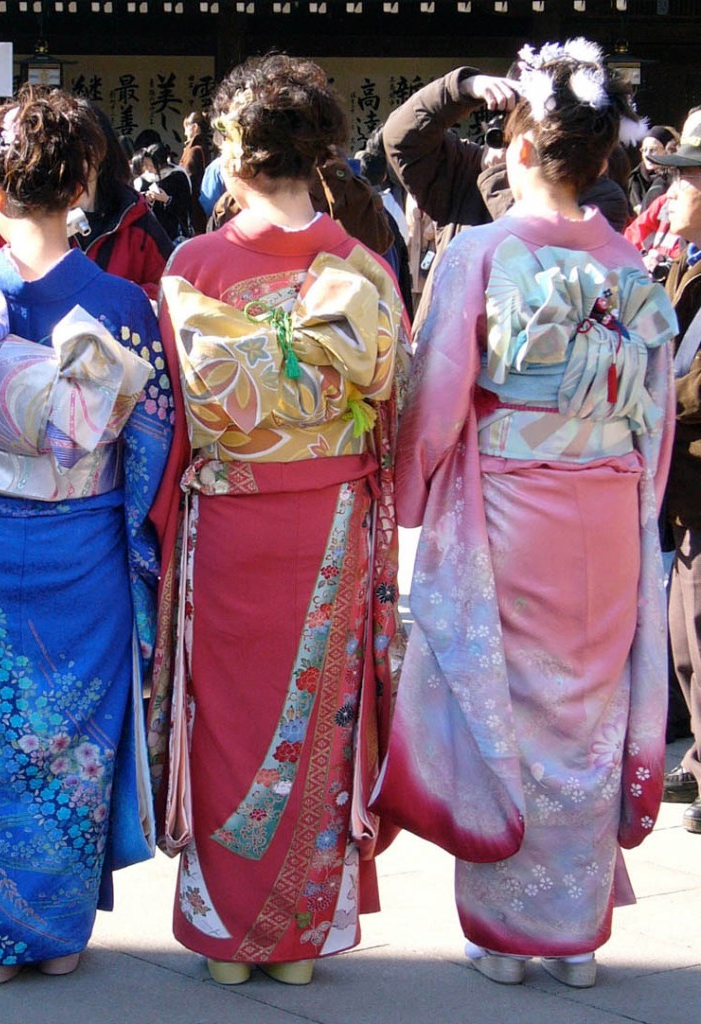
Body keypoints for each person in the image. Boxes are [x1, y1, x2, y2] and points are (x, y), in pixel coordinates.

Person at [372, 38, 676, 989]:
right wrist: (640, 506)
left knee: (509, 703)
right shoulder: (629, 258)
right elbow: (652, 411)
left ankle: (507, 931)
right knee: (587, 711)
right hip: (606, 508)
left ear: (520, 148)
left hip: (513, 508)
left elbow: (439, 397)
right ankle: (577, 933)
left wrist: (408, 492)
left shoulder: (483, 252)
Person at [148, 53, 408, 987]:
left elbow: (174, 413)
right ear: (322, 152)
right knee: (320, 713)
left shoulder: (196, 264)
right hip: (331, 517)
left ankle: (226, 936)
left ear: (229, 149)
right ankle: (296, 938)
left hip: (229, 518)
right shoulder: (363, 267)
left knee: (226, 711)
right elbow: (390, 414)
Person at [0, 87, 174, 984]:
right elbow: (149, 450)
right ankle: (58, 935)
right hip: (84, 546)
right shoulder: (124, 303)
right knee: (71, 738)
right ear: (85, 178)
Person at [382, 62, 631, 333]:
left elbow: (535, 249)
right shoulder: (468, 168)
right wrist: (462, 88)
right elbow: (400, 140)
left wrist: (506, 172)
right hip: (454, 339)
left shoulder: (603, 197)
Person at [0, 102, 172, 300]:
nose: (64, 164)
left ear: (103, 156)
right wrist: (24, 254)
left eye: (79, 154)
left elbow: (174, 290)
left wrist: (116, 295)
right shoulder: (3, 218)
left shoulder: (134, 216)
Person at [648, 110, 701, 831]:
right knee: (684, 631)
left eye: (687, 176)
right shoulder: (683, 263)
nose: (676, 187)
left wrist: (647, 390)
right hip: (686, 486)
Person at [628, 125, 677, 214]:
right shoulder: (634, 178)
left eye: (653, 150)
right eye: (644, 150)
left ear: (666, 151)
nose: (647, 155)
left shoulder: (673, 178)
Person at [179, 110, 213, 235]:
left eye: (186, 128)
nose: (184, 132)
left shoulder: (194, 150)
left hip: (194, 207)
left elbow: (188, 179)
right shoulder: (203, 147)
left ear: (194, 127)